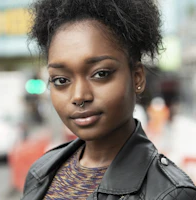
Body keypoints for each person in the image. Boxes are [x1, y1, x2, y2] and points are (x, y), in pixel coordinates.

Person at [22, 0, 196, 199]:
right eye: (61, 80)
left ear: (137, 77)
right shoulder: (41, 171)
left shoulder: (169, 193)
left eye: (101, 74)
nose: (79, 96)